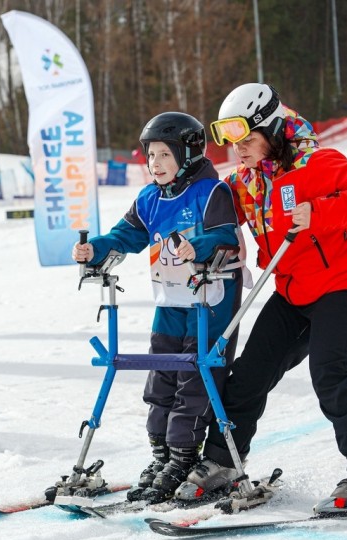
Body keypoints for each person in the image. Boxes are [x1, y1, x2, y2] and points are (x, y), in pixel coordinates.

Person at [186, 83, 347, 508]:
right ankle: (222, 462)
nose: (239, 150)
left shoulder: (316, 163)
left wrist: (320, 212)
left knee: (330, 371)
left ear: (274, 132)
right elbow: (212, 210)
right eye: (232, 143)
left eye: (248, 140)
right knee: (249, 374)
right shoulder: (245, 184)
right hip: (293, 293)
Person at [71, 112, 247, 503]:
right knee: (162, 377)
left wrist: (197, 247)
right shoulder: (149, 197)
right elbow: (125, 236)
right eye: (151, 156)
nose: (156, 164)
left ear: (187, 154)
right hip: (170, 299)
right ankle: (162, 455)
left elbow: (225, 238)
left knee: (195, 380)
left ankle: (184, 457)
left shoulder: (211, 192)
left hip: (210, 300)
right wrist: (94, 249)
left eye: (165, 155)